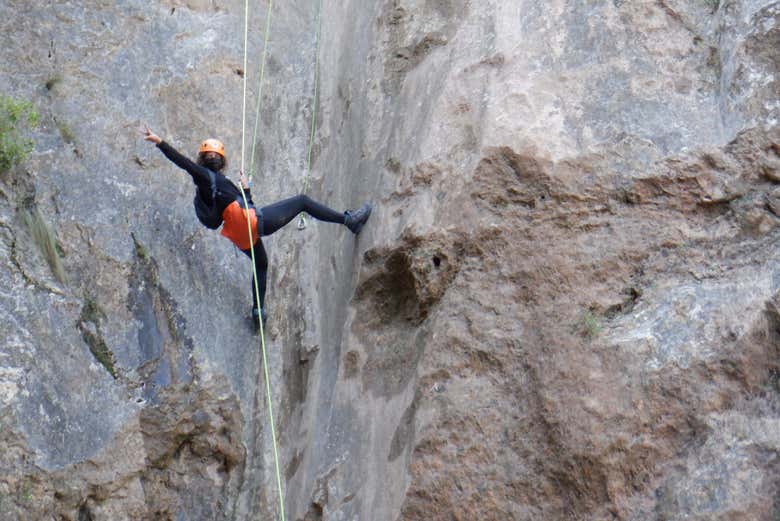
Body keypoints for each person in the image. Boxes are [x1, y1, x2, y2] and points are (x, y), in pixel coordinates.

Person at [140, 125, 372, 328]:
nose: (212, 159)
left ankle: (258, 312)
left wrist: (246, 189)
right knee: (302, 202)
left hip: (238, 233)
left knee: (261, 264)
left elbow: (243, 204)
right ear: (219, 162)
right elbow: (185, 164)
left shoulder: (213, 186)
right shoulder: (206, 177)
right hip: (251, 223)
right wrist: (160, 142)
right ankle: (348, 220)